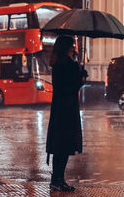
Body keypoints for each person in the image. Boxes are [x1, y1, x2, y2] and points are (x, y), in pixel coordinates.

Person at [46, 36, 87, 192]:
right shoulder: (68, 64)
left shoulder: (57, 64)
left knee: (60, 147)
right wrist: (80, 78)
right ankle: (58, 180)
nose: (74, 48)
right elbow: (70, 88)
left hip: (59, 108)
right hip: (67, 109)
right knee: (64, 146)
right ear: (67, 47)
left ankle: (57, 179)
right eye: (72, 45)